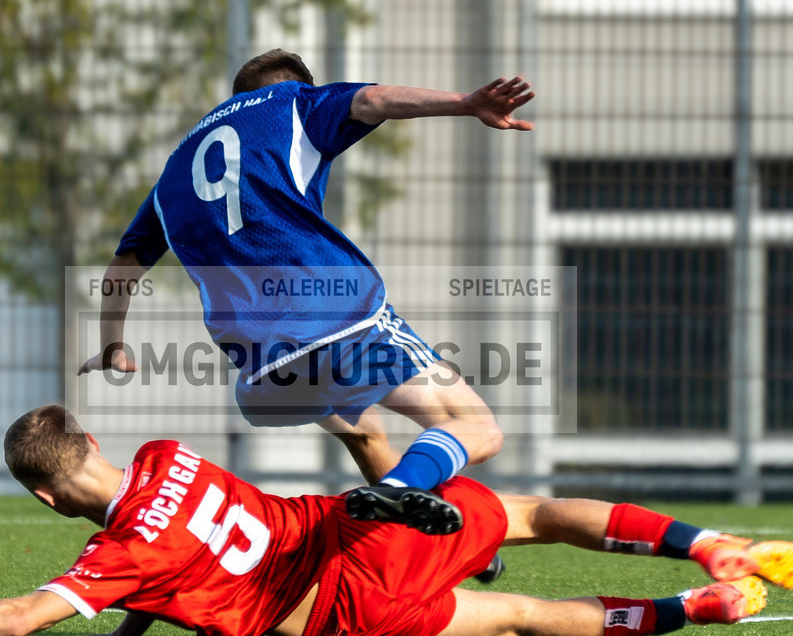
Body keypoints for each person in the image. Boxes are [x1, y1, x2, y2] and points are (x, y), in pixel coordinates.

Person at [0, 406, 793, 636]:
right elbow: (178, 548)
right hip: (349, 530)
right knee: (531, 512)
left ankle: (689, 609)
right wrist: (134, 617)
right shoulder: (169, 455)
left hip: (339, 609)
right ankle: (704, 544)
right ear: (93, 440)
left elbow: (13, 620)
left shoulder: (115, 556)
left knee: (517, 613)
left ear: (45, 497)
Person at [78, 49, 536, 537]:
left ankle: (420, 542)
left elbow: (122, 267)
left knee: (364, 432)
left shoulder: (173, 174)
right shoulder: (293, 101)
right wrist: (466, 103)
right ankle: (402, 489)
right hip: (335, 319)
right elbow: (374, 100)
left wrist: (113, 347)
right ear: (295, 84)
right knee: (476, 428)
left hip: (260, 373)